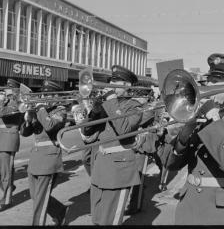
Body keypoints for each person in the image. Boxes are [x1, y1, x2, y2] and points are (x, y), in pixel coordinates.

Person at [162, 53, 224, 225]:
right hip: (189, 207)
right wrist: (184, 136)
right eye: (210, 80)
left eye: (216, 82)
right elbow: (170, 164)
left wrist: (212, 119)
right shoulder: (202, 118)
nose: (208, 85)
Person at [81, 65, 142, 225]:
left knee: (110, 220)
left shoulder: (134, 106)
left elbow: (124, 130)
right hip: (100, 166)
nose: (111, 84)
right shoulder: (105, 105)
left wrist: (111, 101)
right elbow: (87, 131)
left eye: (117, 81)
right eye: (111, 80)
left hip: (118, 170)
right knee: (97, 217)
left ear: (127, 86)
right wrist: (94, 111)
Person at [20, 81, 69, 226]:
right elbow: (24, 133)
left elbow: (49, 126)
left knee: (40, 199)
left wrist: (40, 108)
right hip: (35, 158)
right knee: (35, 196)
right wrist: (28, 120)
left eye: (49, 94)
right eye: (44, 93)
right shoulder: (40, 111)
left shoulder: (60, 111)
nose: (44, 96)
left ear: (56, 96)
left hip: (49, 159)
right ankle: (60, 211)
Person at [0, 79, 24, 211]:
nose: (4, 91)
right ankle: (9, 187)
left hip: (8, 140)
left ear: (14, 90)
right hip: (1, 138)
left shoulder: (17, 102)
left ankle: (5, 200)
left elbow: (2, 113)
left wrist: (2, 101)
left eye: (7, 88)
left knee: (5, 172)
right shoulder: (7, 101)